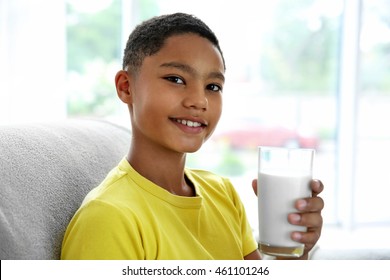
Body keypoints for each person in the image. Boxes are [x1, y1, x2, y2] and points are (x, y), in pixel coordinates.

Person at [61, 12, 324, 260]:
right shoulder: (108, 218)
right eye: (176, 79)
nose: (200, 101)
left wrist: (296, 251)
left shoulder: (223, 194)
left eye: (213, 86)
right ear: (126, 87)